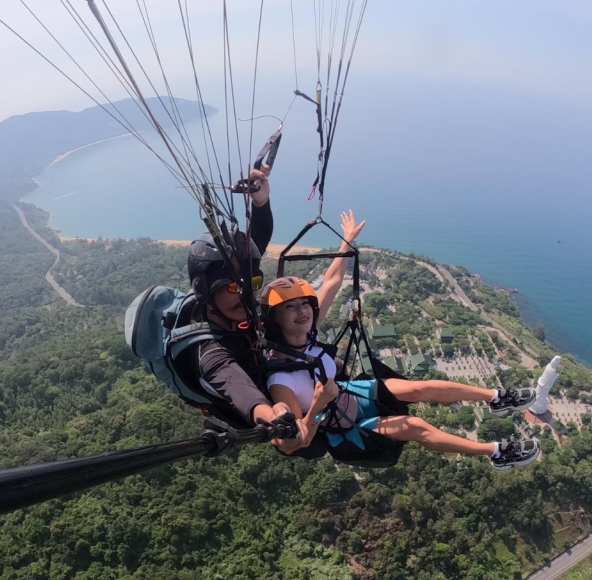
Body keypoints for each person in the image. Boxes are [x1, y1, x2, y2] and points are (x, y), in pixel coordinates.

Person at [261, 211, 541, 471]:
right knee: (415, 426)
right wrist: (319, 404)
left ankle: (497, 398)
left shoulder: (308, 334)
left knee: (420, 388)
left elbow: (332, 281)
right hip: (345, 424)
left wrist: (347, 240)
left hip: (350, 391)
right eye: (290, 307)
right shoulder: (281, 379)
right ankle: (496, 452)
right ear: (275, 319)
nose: (302, 311)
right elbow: (300, 440)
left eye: (304, 304)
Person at [184, 164, 309, 451]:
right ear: (204, 292)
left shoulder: (237, 298)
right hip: (257, 401)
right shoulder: (209, 350)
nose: (244, 293)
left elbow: (258, 243)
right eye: (231, 288)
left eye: (251, 282)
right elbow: (238, 387)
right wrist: (275, 417)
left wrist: (260, 201)